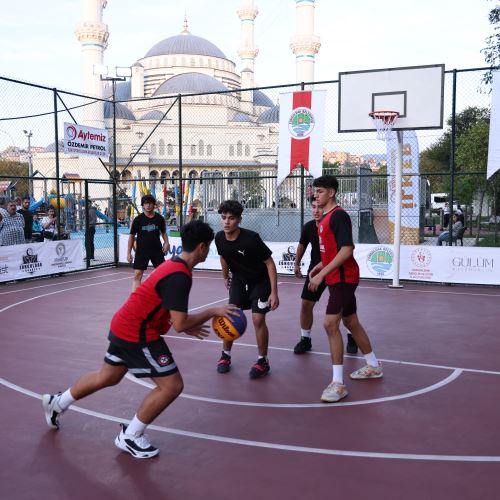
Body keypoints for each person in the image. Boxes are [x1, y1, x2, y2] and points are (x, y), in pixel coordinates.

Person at [42, 220, 238, 459]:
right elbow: (180, 323)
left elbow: (165, 308)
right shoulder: (180, 275)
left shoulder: (174, 267)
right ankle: (131, 436)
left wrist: (185, 325)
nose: (208, 250)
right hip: (137, 332)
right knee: (172, 385)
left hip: (125, 324)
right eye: (208, 246)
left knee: (108, 376)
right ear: (202, 247)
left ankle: (57, 403)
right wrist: (211, 312)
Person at [308, 175, 382, 403]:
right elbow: (333, 250)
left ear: (331, 193)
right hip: (336, 277)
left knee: (330, 324)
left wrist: (322, 273)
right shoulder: (324, 218)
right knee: (351, 322)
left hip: (343, 279)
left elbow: (347, 249)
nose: (315, 195)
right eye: (314, 191)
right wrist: (320, 265)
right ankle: (373, 366)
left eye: (319, 191)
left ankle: (338, 383)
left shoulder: (338, 216)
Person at [214, 200, 279, 379]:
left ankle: (262, 361)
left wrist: (274, 292)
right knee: (230, 315)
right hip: (239, 280)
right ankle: (225, 356)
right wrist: (225, 275)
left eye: (231, 218)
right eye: (224, 218)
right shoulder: (219, 237)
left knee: (258, 319)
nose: (227, 222)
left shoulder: (251, 239)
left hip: (260, 281)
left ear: (239, 220)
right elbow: (223, 257)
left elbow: (269, 263)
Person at [293, 200, 358, 355]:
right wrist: (296, 263)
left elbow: (345, 248)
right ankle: (305, 339)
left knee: (345, 308)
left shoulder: (334, 223)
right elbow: (302, 245)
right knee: (306, 304)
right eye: (313, 207)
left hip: (337, 269)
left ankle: (351, 336)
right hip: (316, 270)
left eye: (320, 207)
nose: (316, 210)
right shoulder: (309, 227)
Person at [127, 195, 170, 291]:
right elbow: (131, 236)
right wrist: (129, 253)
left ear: (154, 205)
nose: (148, 205)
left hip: (157, 250)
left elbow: (163, 233)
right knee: (137, 275)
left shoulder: (159, 219)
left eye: (150, 203)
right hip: (142, 251)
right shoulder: (138, 220)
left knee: (162, 274)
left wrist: (166, 243)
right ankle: (135, 299)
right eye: (146, 203)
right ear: (143, 205)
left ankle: (163, 297)